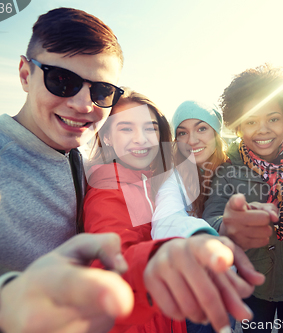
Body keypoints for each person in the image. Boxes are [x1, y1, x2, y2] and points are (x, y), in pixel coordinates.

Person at [0, 8, 262, 333]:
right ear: (25, 74)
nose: (84, 105)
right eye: (61, 80)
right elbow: (120, 243)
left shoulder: (87, 150)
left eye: (101, 92)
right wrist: (0, 310)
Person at [83, 89, 264, 333]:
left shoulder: (237, 166)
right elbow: (164, 220)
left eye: (150, 128)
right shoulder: (148, 181)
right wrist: (200, 238)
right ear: (107, 137)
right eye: (127, 128)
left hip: (206, 300)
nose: (141, 139)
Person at [203, 64, 283, 333]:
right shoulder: (229, 168)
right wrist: (229, 223)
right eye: (251, 121)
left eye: (273, 118)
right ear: (239, 124)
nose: (263, 130)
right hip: (255, 287)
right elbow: (212, 216)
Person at [151, 100, 228, 333]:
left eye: (201, 128)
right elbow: (166, 219)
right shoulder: (174, 176)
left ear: (216, 133)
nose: (192, 140)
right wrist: (203, 235)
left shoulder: (234, 170)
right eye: (182, 132)